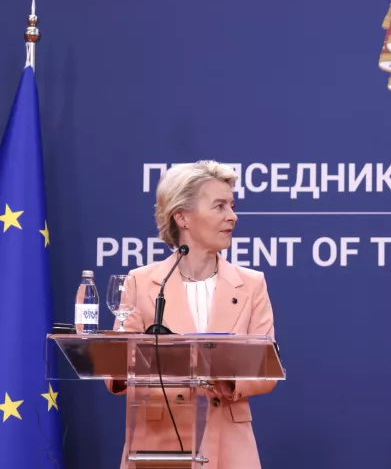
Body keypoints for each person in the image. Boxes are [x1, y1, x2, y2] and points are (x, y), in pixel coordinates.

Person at [106, 160, 277, 469]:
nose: (233, 216)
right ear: (182, 217)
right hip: (159, 441)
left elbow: (266, 370)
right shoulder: (141, 282)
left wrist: (224, 375)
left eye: (232, 205)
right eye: (219, 206)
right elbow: (115, 369)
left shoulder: (251, 284)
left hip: (228, 443)